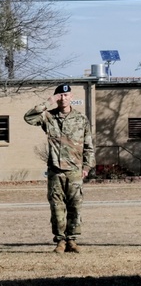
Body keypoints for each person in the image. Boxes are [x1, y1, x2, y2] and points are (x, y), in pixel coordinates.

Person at [24, 83, 95, 253]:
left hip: (75, 170)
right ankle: (60, 241)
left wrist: (86, 166)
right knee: (57, 207)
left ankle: (72, 239)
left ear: (71, 97)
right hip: (55, 170)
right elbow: (28, 117)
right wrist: (48, 102)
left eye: (66, 95)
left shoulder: (81, 119)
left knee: (75, 206)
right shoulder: (48, 117)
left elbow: (89, 146)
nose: (63, 98)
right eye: (60, 96)